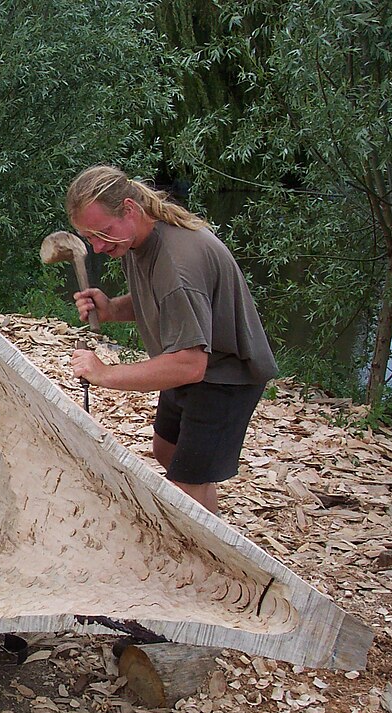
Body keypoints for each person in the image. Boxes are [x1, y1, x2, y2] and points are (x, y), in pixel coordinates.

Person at [66, 165, 277, 514]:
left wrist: (105, 374)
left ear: (130, 209)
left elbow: (190, 364)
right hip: (191, 360)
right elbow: (163, 301)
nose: (99, 246)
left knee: (186, 487)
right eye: (90, 238)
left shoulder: (178, 263)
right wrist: (111, 309)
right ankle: (210, 519)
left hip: (224, 375)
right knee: (167, 450)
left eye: (104, 233)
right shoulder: (139, 238)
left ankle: (210, 555)